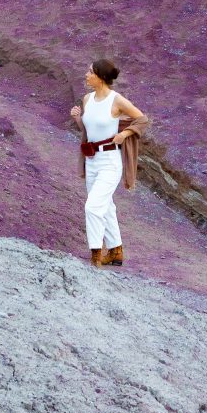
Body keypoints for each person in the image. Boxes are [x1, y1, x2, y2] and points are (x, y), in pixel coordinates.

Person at [69, 58, 149, 268]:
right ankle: (115, 251)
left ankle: (96, 255)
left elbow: (142, 119)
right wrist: (78, 118)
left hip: (110, 162)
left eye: (90, 72)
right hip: (92, 160)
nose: (86, 75)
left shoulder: (116, 100)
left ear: (101, 77)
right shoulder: (87, 99)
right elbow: (89, 131)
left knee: (93, 207)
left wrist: (125, 133)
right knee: (106, 206)